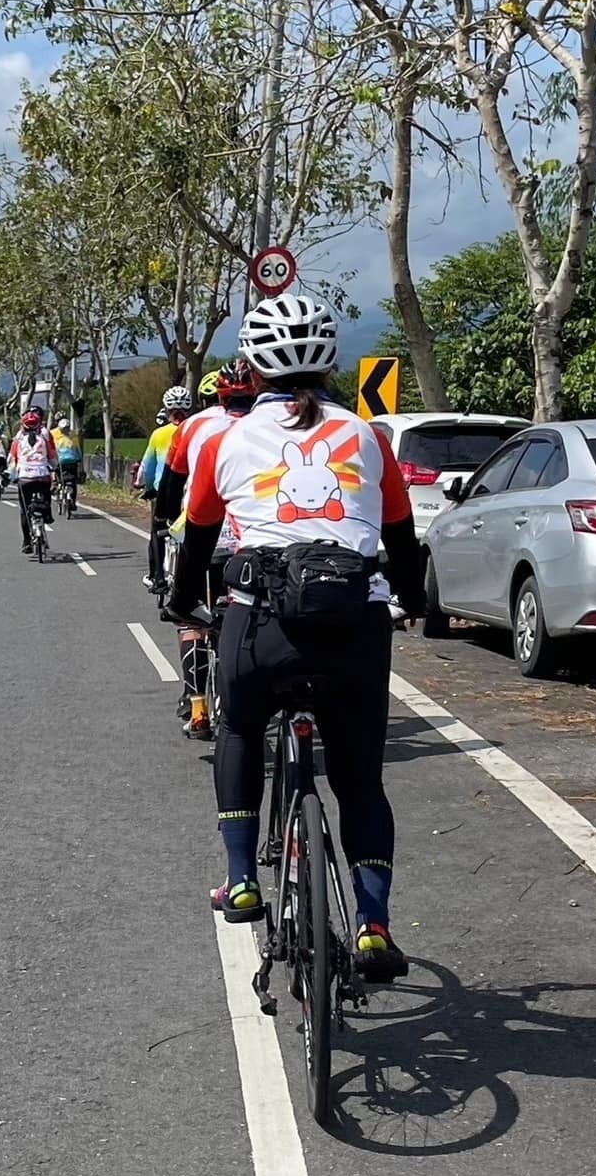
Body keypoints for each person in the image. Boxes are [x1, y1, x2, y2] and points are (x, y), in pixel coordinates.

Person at [165, 293, 426, 981]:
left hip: (262, 625)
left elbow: (196, 540)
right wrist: (413, 599)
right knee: (361, 782)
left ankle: (243, 877)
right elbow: (401, 537)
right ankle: (373, 925)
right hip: (355, 626)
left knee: (242, 731)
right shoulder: (367, 436)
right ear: (331, 360)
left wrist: (183, 601)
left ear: (251, 366)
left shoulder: (225, 438)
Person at [155, 363, 259, 739]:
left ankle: (197, 706)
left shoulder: (194, 427)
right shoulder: (271, 426)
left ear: (217, 396)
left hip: (203, 535)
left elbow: (171, 485)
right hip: (255, 541)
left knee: (191, 620)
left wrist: (165, 521)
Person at [136, 385, 194, 592]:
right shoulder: (196, 430)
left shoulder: (159, 434)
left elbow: (148, 468)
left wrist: (147, 486)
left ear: (167, 411)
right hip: (191, 494)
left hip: (165, 494)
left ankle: (157, 578)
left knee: (158, 533)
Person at [7, 407, 57, 553]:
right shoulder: (44, 437)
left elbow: (12, 459)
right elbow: (52, 457)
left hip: (25, 478)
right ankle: (47, 514)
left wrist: (13, 473)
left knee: (24, 510)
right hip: (43, 476)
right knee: (46, 494)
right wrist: (55, 469)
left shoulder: (19, 438)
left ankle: (26, 542)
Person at [52, 416, 83, 511]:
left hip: (61, 461)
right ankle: (72, 500)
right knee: (73, 481)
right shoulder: (72, 434)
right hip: (70, 461)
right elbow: (78, 449)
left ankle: (56, 485)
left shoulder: (53, 433)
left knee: (61, 477)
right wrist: (79, 459)